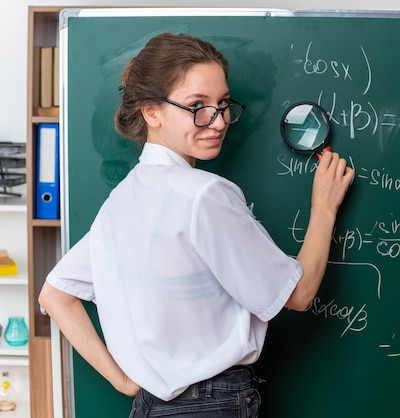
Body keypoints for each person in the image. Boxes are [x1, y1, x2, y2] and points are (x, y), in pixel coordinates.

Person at [38, 32, 354, 418]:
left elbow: (54, 294)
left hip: (152, 407)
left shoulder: (119, 201)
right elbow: (300, 294)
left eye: (222, 104)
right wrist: (323, 209)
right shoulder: (205, 195)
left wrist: (125, 382)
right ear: (151, 112)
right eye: (197, 106)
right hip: (212, 405)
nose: (218, 121)